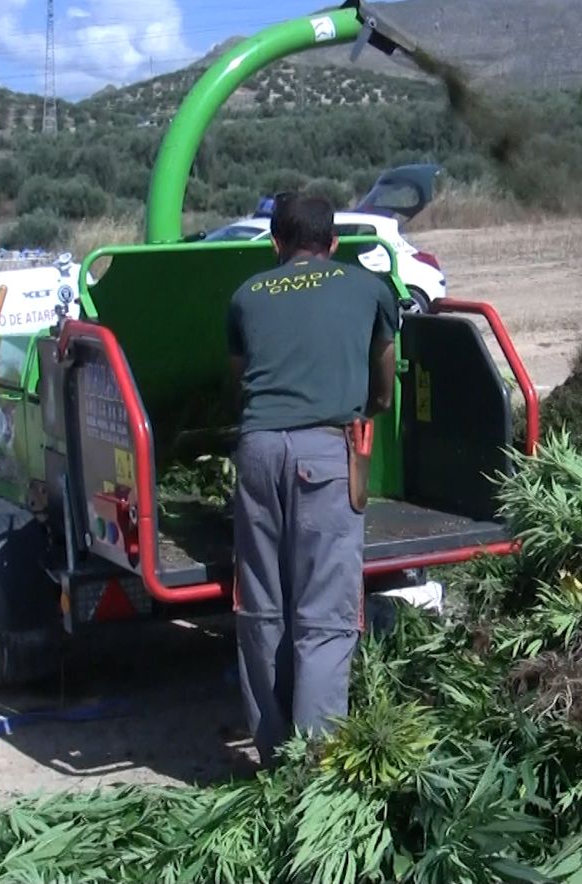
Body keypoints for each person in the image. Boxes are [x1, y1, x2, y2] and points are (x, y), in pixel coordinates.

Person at [224, 192, 400, 766]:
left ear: (275, 243)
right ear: (334, 242)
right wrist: (371, 405)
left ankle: (275, 756)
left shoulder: (246, 295)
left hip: (256, 452)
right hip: (325, 455)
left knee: (263, 606)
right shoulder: (368, 288)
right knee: (323, 613)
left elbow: (238, 383)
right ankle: (314, 766)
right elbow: (383, 377)